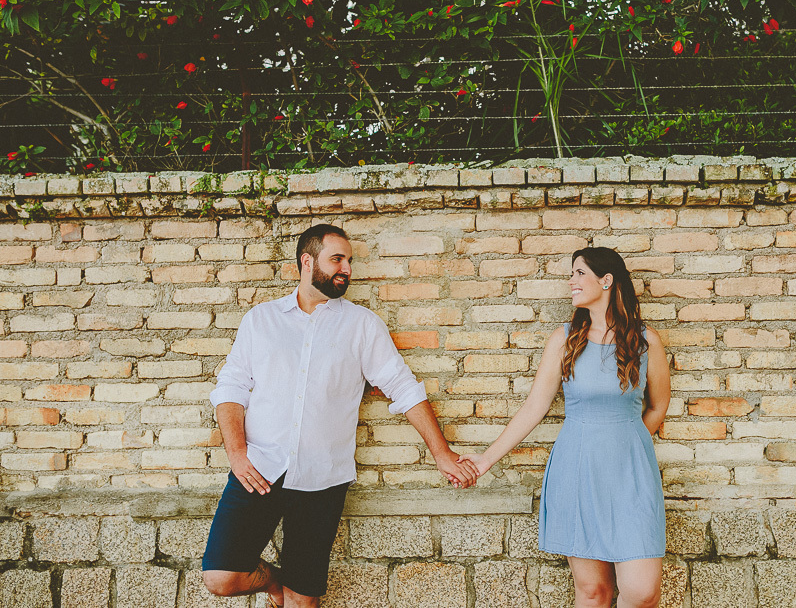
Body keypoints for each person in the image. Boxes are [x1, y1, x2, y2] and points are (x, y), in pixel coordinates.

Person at [202, 224, 478, 608]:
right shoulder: (261, 321)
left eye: (349, 261)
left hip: (322, 480)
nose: (346, 268)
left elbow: (404, 388)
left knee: (304, 603)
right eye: (337, 259)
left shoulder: (362, 325)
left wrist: (442, 454)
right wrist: (236, 454)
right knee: (221, 577)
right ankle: (276, 583)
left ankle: (296, 589)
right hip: (259, 468)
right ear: (307, 261)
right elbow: (231, 391)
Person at [460, 247, 671, 608]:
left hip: (630, 473)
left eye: (579, 273)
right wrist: (484, 460)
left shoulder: (645, 339)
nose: (571, 281)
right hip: (577, 470)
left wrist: (624, 442)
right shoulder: (565, 338)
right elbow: (534, 408)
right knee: (593, 592)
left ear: (606, 281)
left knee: (642, 592)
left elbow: (658, 406)